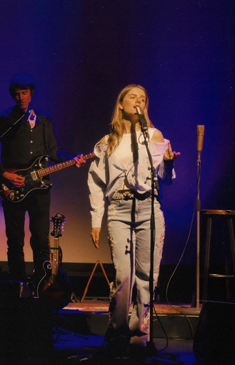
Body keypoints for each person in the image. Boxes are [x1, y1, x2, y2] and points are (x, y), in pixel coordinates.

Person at [87, 84, 179, 357]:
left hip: (148, 208)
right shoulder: (107, 141)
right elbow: (95, 182)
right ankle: (116, 331)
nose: (138, 101)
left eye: (143, 99)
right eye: (132, 97)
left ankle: (140, 333)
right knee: (124, 275)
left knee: (146, 276)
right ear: (121, 104)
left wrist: (169, 164)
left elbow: (165, 179)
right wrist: (96, 219)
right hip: (119, 209)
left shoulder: (154, 135)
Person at [0, 72, 84, 284]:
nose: (20, 97)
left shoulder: (44, 118)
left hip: (40, 188)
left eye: (24, 93)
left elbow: (53, 151)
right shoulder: (3, 119)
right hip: (13, 186)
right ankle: (18, 287)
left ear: (31, 93)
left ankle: (42, 285)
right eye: (17, 93)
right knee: (15, 241)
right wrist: (5, 175)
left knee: (40, 239)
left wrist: (72, 158)